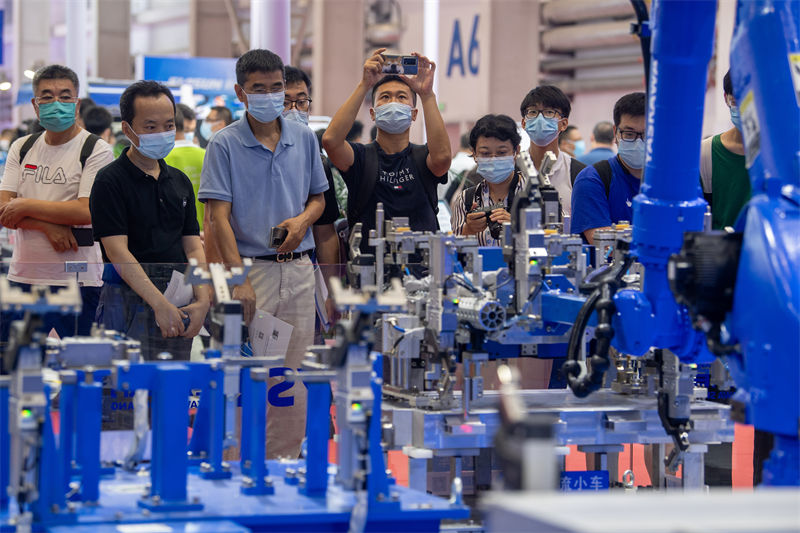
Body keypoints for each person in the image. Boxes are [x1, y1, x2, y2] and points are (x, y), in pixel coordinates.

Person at [199, 49, 328, 459]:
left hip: (300, 270)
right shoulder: (224, 144)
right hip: (252, 272)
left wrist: (302, 222)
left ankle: (284, 461)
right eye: (259, 88)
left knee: (292, 377)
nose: (270, 96)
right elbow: (217, 219)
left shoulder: (303, 138)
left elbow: (319, 199)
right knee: (245, 377)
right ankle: (234, 463)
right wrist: (238, 280)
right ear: (241, 93)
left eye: (277, 87)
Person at [89, 80, 209, 361]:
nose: (162, 134)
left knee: (172, 383)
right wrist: (159, 304)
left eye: (169, 125)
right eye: (151, 127)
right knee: (123, 385)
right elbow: (117, 252)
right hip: (126, 300)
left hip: (178, 299)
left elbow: (193, 246)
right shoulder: (109, 181)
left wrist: (203, 299)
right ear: (127, 129)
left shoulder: (179, 181)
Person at [0, 64, 113, 340]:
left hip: (79, 280)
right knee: (18, 361)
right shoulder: (22, 147)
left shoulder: (96, 149)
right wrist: (46, 226)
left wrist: (25, 206)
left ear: (77, 103)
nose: (56, 104)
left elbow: (85, 210)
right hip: (24, 275)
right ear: (35, 105)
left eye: (64, 96)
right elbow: (3, 209)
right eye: (47, 97)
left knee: (81, 360)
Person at [322, 48, 451, 256]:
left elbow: (443, 158)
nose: (393, 102)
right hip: (369, 269)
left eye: (401, 97)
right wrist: (364, 85)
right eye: (385, 97)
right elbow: (331, 141)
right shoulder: (360, 157)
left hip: (423, 269)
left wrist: (427, 95)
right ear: (373, 113)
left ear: (414, 114)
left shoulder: (423, 158)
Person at [282, 64, 340, 324]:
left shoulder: (316, 161)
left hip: (302, 268)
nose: (294, 110)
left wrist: (333, 291)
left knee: (304, 346)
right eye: (285, 102)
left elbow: (325, 231)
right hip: (253, 266)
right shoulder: (236, 150)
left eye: (301, 101)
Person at [570, 92, 646, 244]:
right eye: (629, 134)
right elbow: (604, 246)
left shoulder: (671, 182)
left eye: (647, 134)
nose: (638, 142)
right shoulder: (592, 180)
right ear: (615, 133)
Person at [451, 114, 523, 246]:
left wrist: (518, 228)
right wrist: (469, 230)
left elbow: (557, 241)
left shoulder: (536, 194)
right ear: (474, 154)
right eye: (485, 153)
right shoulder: (466, 200)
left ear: (516, 151)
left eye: (502, 152)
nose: (493, 159)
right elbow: (453, 249)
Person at [519, 85, 585, 217]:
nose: (540, 119)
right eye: (532, 112)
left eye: (549, 112)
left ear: (564, 124)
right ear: (524, 123)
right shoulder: (512, 170)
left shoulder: (578, 173)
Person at [700, 70, 750, 230]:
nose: (743, 111)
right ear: (725, 98)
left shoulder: (785, 155)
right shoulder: (705, 154)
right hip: (721, 245)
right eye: (736, 102)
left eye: (749, 104)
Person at [165, 104, 206, 232]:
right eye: (187, 129)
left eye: (192, 130)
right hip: (208, 232)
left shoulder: (160, 159)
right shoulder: (207, 155)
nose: (190, 134)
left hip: (174, 234)